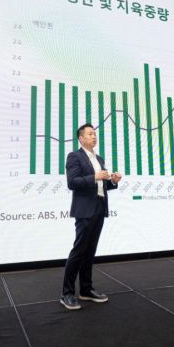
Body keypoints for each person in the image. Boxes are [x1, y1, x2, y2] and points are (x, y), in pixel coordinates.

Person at [60, 123, 122, 310]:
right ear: (81, 138)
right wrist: (95, 176)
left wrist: (112, 181)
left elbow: (102, 186)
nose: (94, 136)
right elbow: (72, 182)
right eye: (90, 134)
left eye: (94, 134)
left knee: (90, 252)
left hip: (99, 208)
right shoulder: (74, 156)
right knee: (79, 251)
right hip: (85, 210)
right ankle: (67, 293)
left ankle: (86, 290)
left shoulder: (99, 158)